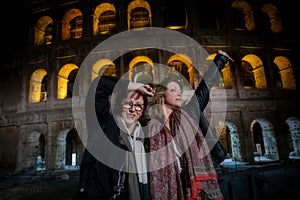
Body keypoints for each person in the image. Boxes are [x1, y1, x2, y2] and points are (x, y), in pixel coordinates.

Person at [148, 50, 232, 200]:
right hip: (172, 184)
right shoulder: (151, 125)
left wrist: (220, 60)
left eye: (180, 91)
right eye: (173, 90)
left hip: (196, 180)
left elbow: (204, 89)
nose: (179, 94)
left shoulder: (189, 112)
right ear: (161, 93)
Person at [78, 74, 153, 200]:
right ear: (119, 105)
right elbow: (98, 85)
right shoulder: (103, 127)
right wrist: (136, 86)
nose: (132, 109)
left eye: (138, 105)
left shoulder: (145, 139)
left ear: (142, 111)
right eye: (128, 103)